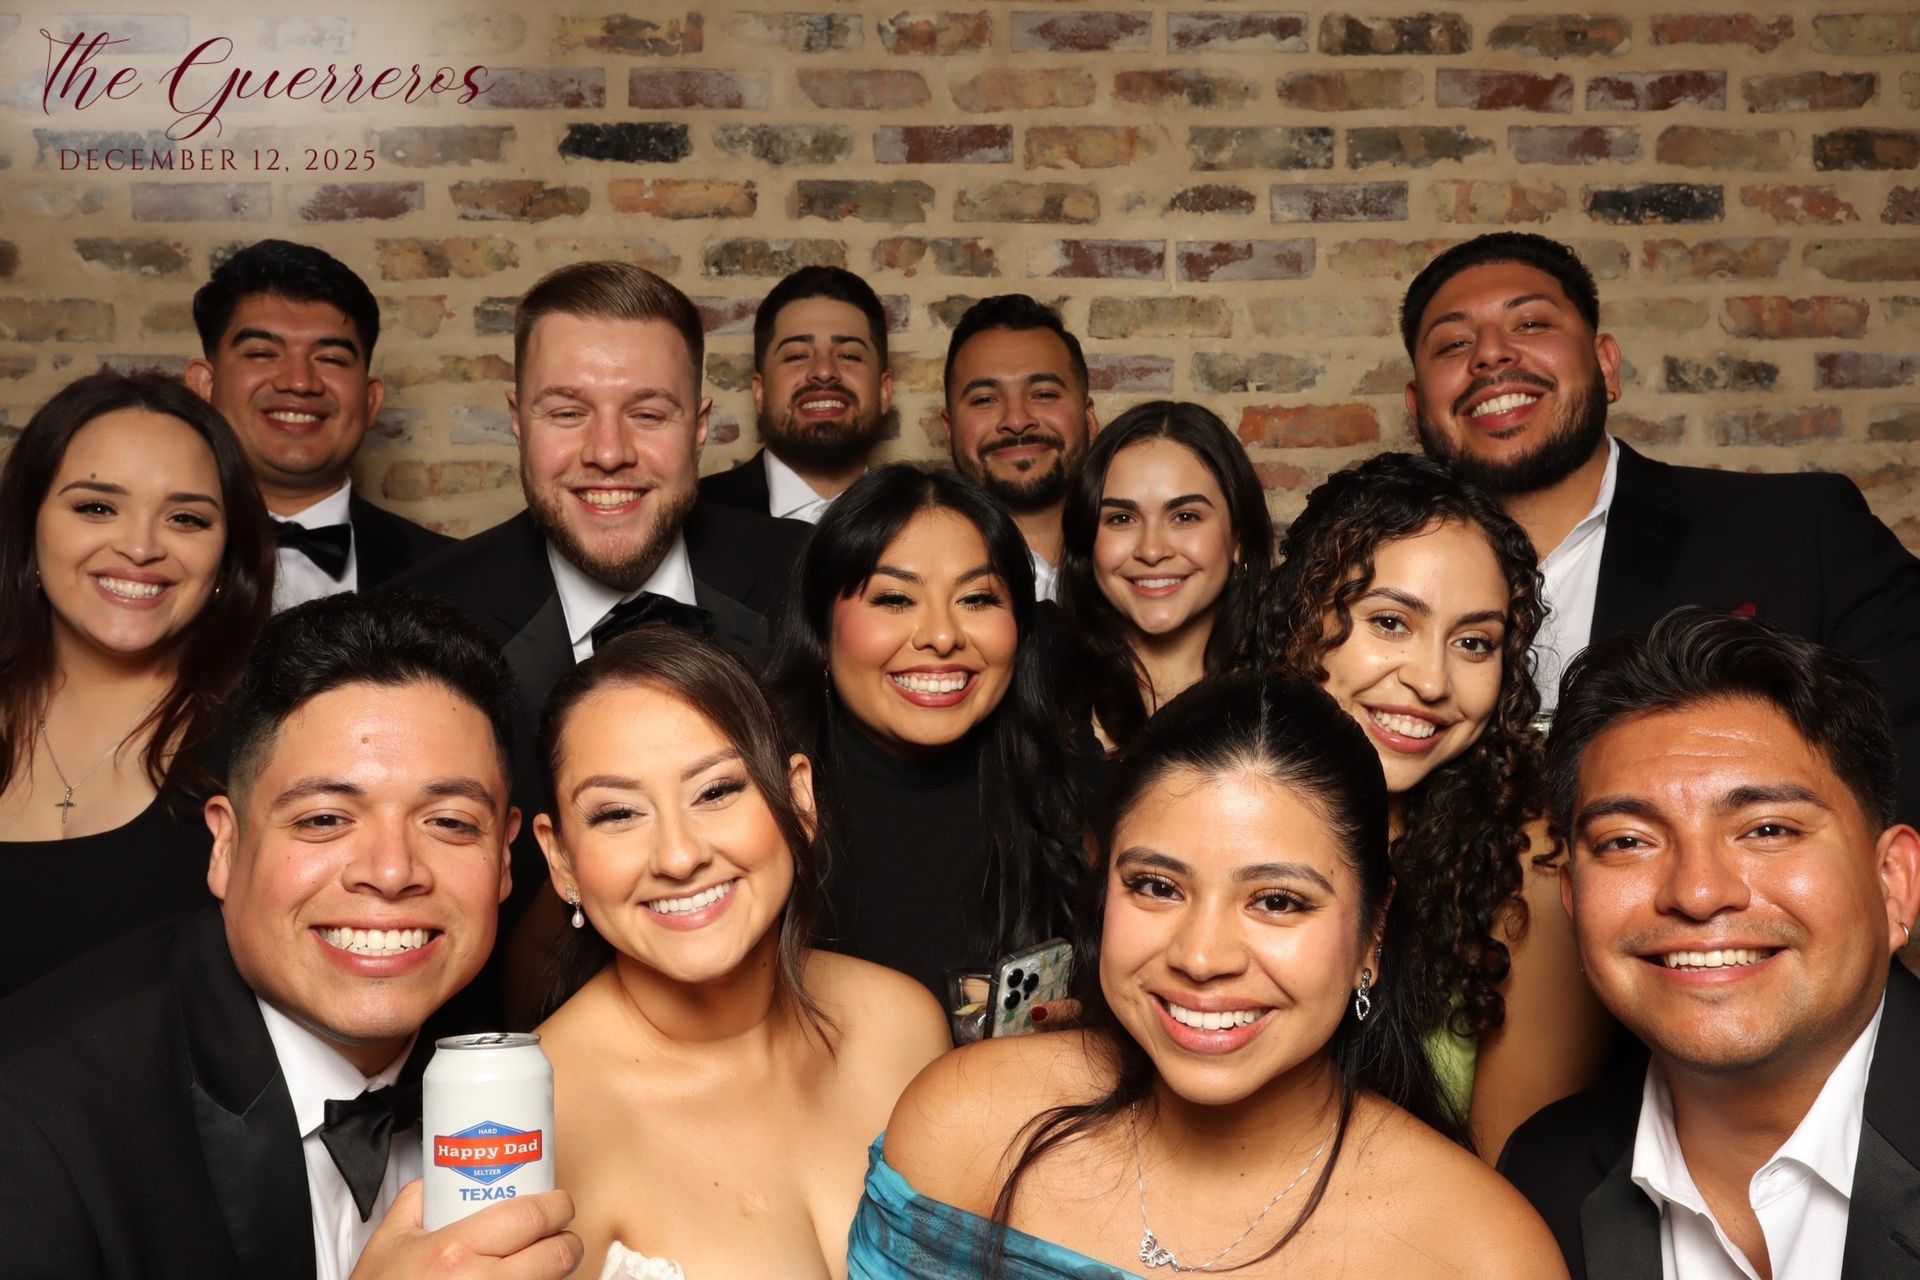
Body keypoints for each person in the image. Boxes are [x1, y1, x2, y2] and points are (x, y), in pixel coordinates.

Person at [851, 673, 1565, 1278]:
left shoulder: (1479, 1253)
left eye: (1278, 901)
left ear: (1373, 931)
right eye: (1158, 887)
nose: (1201, 956)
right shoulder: (966, 1122)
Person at [0, 592, 581, 1280]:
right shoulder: (33, 1124)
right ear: (225, 843)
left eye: (450, 822)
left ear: (506, 856)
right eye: (324, 820)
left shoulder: (532, 1055)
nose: (391, 873)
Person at [395, 261, 811, 1014]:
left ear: (701, 423)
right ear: (518, 419)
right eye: (567, 413)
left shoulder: (813, 583)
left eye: (648, 414)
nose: (608, 452)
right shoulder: (419, 623)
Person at [1401, 231, 1920, 822]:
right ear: (1418, 411)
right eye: (1454, 342)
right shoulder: (1362, 582)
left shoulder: (1802, 532)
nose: (1490, 354)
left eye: (1530, 325)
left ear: (1605, 366)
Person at [1501, 608, 1920, 1280]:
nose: (1697, 893)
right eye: (1628, 841)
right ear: (1574, 900)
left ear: (1893, 881)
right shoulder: (1540, 1177)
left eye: (1767, 831)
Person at [530, 626, 950, 1277]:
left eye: (717, 791)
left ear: (799, 799)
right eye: (617, 814)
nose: (679, 855)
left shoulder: (901, 1023)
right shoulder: (536, 1118)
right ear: (560, 860)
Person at [1257, 453, 1611, 1157]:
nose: (1430, 680)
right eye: (1391, 623)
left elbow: (1515, 1176)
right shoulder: (1201, 801)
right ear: (1302, 613)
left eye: (1474, 642)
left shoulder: (1527, 866)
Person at [766, 463, 1090, 1002]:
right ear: (821, 633)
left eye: (977, 599)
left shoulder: (1072, 796)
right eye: (895, 599)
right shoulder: (752, 806)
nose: (941, 636)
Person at [0, 372, 274, 997]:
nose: (141, 547)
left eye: (185, 518)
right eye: (96, 507)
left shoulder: (274, 736)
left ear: (227, 558)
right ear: (29, 523)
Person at [185, 238, 450, 609]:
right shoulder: (149, 556)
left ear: (371, 400)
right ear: (204, 387)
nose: (299, 382)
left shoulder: (452, 572)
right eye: (262, 353)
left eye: (330, 358)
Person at [1057, 400, 1271, 752]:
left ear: (1238, 538)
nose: (1152, 551)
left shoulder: (1290, 701)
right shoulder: (1036, 695)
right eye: (1121, 519)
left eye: (1185, 517)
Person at [699, 265, 895, 523]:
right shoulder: (692, 516)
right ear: (760, 391)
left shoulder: (921, 524)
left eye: (848, 355)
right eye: (797, 355)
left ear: (884, 391)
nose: (824, 372)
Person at [941, 295, 1098, 603]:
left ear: (1089, 418)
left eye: (1043, 394)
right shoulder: (905, 571)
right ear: (948, 431)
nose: (1016, 420)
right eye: (985, 399)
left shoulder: (1144, 565)